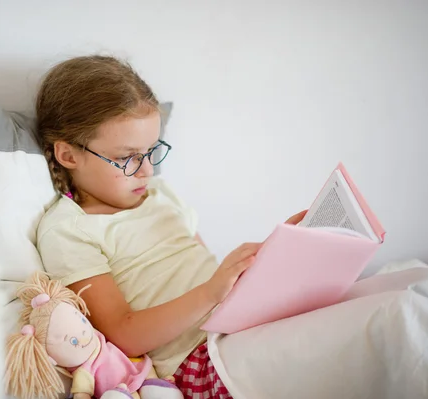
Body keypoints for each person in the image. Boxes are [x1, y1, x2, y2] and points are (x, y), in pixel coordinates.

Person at [35, 55, 306, 398]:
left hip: (240, 323)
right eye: (127, 157)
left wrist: (272, 255)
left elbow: (209, 271)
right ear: (69, 156)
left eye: (151, 151)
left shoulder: (161, 195)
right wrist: (212, 292)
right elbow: (124, 334)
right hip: (202, 358)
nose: (148, 171)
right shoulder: (70, 229)